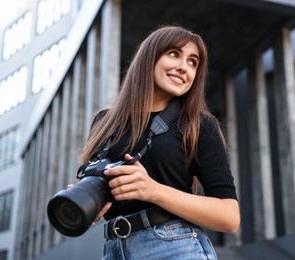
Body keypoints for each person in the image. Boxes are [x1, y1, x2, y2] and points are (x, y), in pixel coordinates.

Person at [79, 25, 240, 260]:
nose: (184, 67)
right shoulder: (105, 121)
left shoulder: (198, 125)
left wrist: (153, 191)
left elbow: (230, 217)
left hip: (176, 247)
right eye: (174, 54)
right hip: (114, 248)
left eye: (193, 62)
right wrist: (89, 199)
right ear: (149, 57)